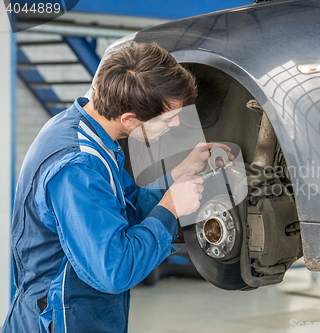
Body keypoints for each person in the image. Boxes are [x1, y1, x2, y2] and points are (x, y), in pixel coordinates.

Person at [2, 42, 233, 333]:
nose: (176, 125)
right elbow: (115, 268)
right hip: (60, 321)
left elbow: (128, 208)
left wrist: (179, 174)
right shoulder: (77, 168)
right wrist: (171, 208)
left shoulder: (91, 133)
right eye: (169, 118)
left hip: (84, 313)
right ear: (130, 119)